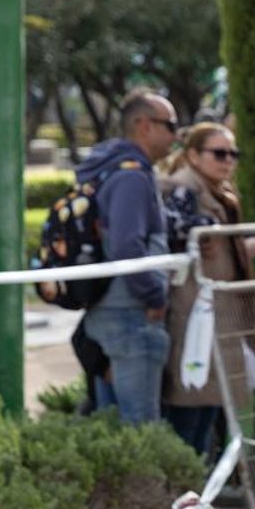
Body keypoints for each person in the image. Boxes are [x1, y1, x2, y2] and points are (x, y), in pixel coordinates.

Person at [78, 89, 180, 425]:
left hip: (110, 308)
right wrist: (153, 295)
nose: (176, 135)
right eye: (171, 125)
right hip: (130, 315)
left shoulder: (108, 169)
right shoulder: (132, 176)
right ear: (144, 125)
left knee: (113, 425)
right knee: (140, 427)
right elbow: (127, 248)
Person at [158, 121, 255, 454]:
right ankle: (184, 498)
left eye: (233, 153)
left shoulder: (218, 193)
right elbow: (180, 248)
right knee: (189, 420)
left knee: (207, 417)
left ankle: (198, 497)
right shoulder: (183, 191)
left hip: (217, 317)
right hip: (194, 319)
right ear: (193, 155)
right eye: (219, 153)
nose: (228, 160)